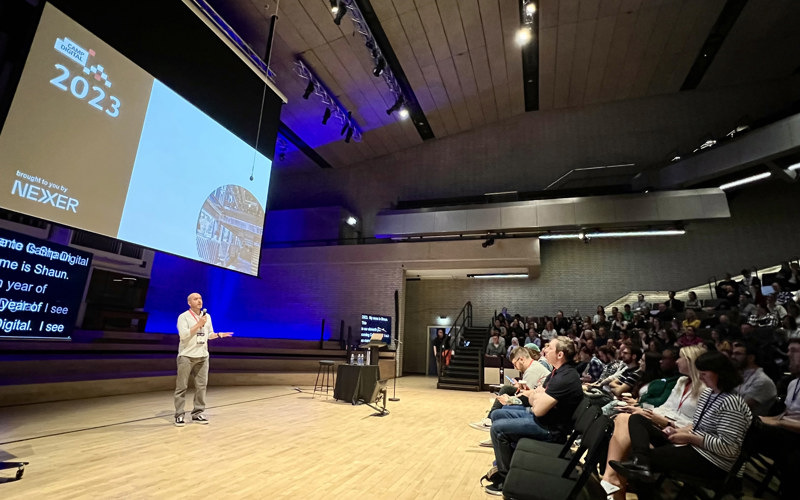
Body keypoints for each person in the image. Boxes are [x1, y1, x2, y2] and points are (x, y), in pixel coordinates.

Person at [609, 351, 752, 499]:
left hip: (714, 461)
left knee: (647, 461)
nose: (701, 377)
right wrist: (677, 430)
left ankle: (641, 464)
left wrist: (689, 438)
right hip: (696, 446)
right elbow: (696, 426)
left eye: (704, 373)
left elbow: (729, 448)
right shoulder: (709, 393)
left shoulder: (732, 403)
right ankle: (640, 461)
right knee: (638, 419)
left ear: (720, 374)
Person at [600, 345, 706, 496]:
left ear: (691, 361)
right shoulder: (682, 381)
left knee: (627, 425)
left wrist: (661, 420)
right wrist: (644, 411)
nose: (677, 362)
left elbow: (698, 423)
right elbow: (666, 407)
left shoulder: (706, 389)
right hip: (662, 422)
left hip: (679, 433)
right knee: (624, 418)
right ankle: (614, 481)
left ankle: (613, 481)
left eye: (681, 358)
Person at [483, 337, 584, 495]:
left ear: (560, 355)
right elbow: (535, 393)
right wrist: (535, 396)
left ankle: (505, 480)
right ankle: (509, 462)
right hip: (544, 420)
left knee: (497, 429)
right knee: (498, 414)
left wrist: (534, 396)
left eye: (549, 348)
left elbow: (537, 408)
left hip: (551, 430)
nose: (544, 350)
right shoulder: (557, 373)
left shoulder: (565, 377)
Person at [174, 292, 233, 426]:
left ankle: (197, 413)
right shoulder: (183, 317)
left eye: (200, 298)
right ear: (189, 303)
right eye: (195, 299)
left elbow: (208, 334)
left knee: (201, 387)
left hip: (203, 356)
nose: (199, 301)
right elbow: (183, 335)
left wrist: (218, 335)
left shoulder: (207, 317)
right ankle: (179, 415)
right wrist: (198, 324)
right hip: (186, 356)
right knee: (181, 387)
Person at [758, 338, 800, 500]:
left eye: (795, 351)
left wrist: (778, 423)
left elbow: (782, 421)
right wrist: (761, 418)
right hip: (787, 434)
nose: (788, 354)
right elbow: (784, 416)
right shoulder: (793, 383)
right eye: (789, 350)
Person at [730, 340, 777, 416]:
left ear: (751, 358)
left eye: (737, 354)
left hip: (753, 424)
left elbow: (741, 408)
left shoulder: (762, 381)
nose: (733, 357)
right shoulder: (739, 375)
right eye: (732, 353)